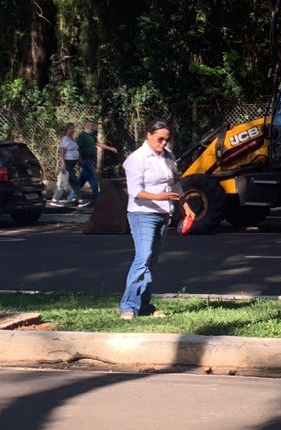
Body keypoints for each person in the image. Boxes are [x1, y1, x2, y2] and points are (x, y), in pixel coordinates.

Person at [119, 120, 193, 319]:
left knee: (151, 261)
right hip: (142, 213)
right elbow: (135, 191)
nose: (163, 143)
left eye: (167, 139)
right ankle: (128, 306)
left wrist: (185, 207)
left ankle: (144, 306)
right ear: (148, 135)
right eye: (160, 139)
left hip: (163, 213)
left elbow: (175, 185)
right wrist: (159, 197)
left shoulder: (168, 157)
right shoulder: (137, 158)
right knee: (142, 259)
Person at [74, 120, 117, 205]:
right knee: (93, 178)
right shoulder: (82, 136)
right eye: (88, 125)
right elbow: (77, 148)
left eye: (91, 125)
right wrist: (80, 159)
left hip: (90, 160)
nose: (90, 127)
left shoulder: (91, 135)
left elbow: (97, 143)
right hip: (85, 160)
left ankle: (72, 196)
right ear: (84, 126)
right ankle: (96, 197)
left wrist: (109, 148)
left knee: (82, 180)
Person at [53, 122, 85, 207]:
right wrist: (63, 165)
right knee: (73, 181)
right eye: (71, 128)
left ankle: (56, 199)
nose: (72, 130)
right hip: (67, 163)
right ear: (67, 129)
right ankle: (79, 200)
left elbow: (77, 151)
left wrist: (80, 161)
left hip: (72, 164)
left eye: (73, 128)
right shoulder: (65, 140)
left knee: (65, 182)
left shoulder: (72, 139)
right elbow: (62, 154)